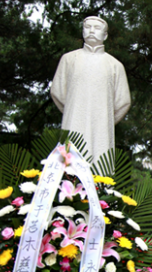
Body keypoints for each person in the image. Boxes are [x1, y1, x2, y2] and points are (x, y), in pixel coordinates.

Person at [51, 16, 131, 165]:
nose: (92, 31)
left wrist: (104, 120)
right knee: (70, 167)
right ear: (82, 31)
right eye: (88, 27)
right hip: (73, 125)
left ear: (105, 35)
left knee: (100, 166)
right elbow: (58, 92)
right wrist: (73, 111)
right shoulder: (68, 59)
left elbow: (123, 102)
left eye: (97, 28)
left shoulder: (115, 65)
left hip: (101, 133)